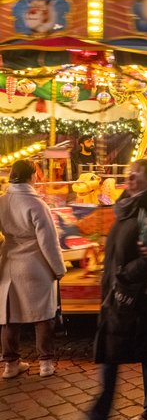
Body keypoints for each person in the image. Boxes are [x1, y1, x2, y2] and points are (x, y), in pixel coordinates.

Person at [79, 159, 147, 420]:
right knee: (115, 348)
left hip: (135, 293)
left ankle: (143, 410)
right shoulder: (127, 205)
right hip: (117, 289)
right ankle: (103, 412)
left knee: (142, 350)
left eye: (137, 175)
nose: (130, 178)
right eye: (129, 174)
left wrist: (125, 275)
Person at [0, 160, 66, 379]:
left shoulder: (2, 202)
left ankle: (11, 364)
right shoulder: (37, 204)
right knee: (43, 315)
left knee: (9, 315)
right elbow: (48, 241)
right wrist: (58, 268)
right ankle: (45, 363)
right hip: (35, 264)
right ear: (31, 176)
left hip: (9, 262)